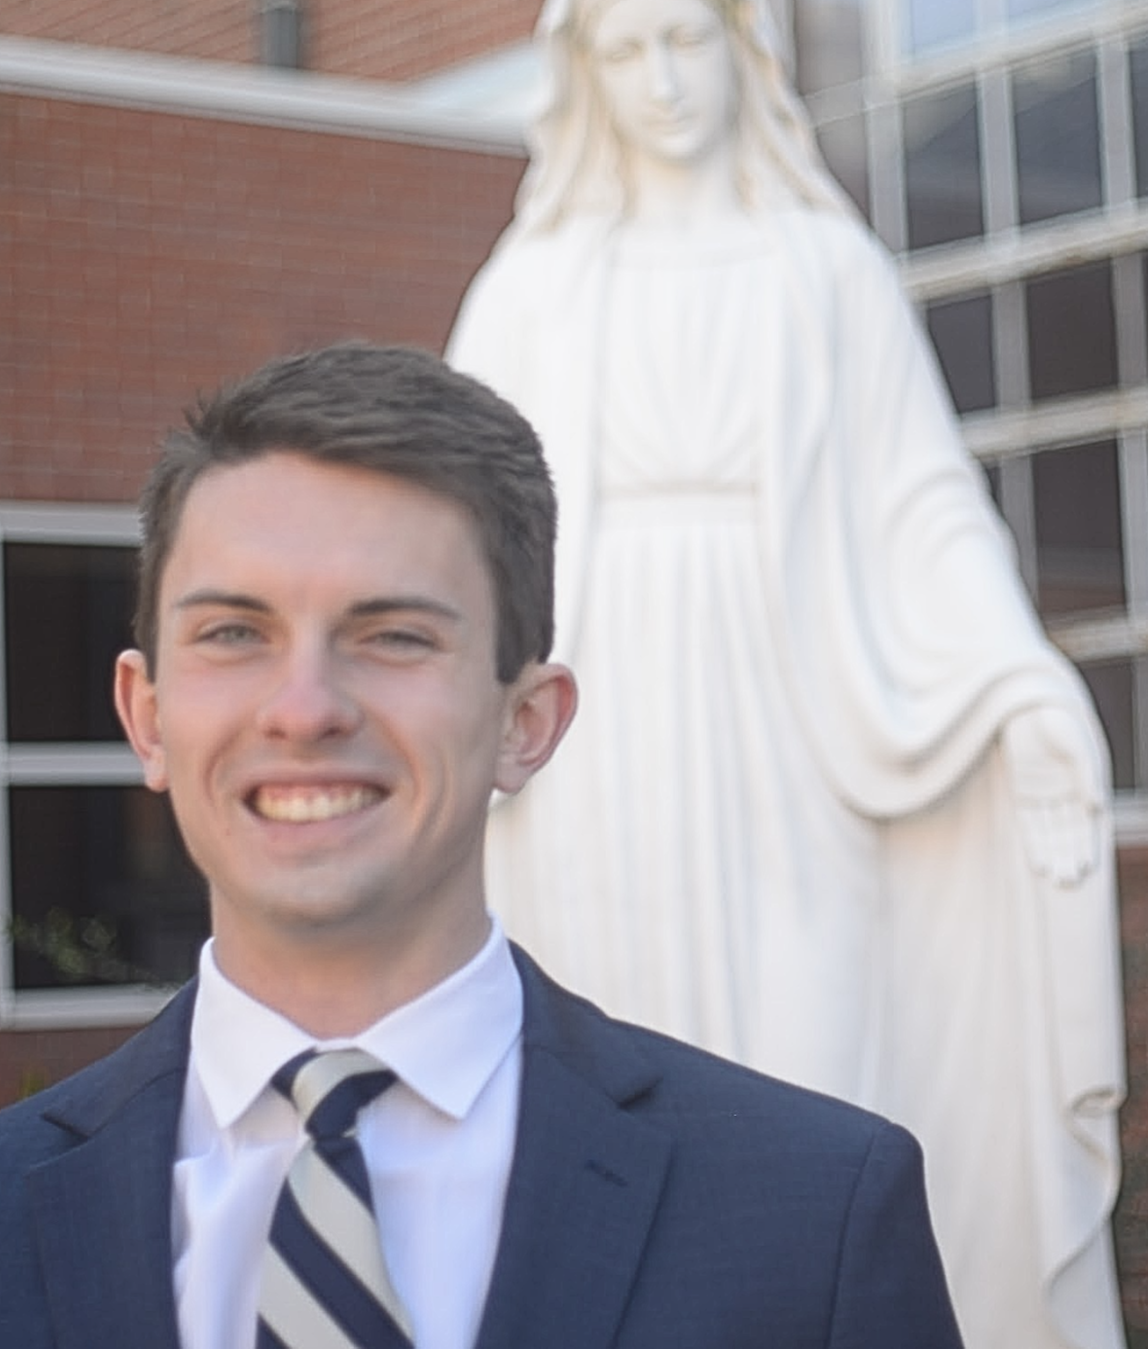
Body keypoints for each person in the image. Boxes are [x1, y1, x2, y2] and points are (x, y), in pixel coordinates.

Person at [0, 342, 964, 1347]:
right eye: (233, 632)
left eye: (392, 633)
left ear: (525, 721)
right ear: (147, 715)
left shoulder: (811, 1216)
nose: (304, 707)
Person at [444, 3, 1125, 1348]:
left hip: (793, 711)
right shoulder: (534, 282)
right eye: (626, 52)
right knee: (599, 1058)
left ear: (743, 55)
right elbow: (446, 529)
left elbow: (924, 504)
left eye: (686, 42)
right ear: (582, 76)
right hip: (595, 727)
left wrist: (1024, 691)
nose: (662, 81)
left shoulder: (822, 268)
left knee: (815, 1062)